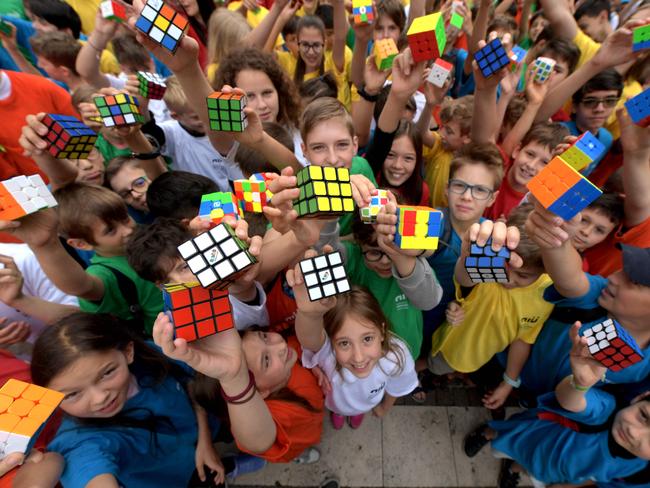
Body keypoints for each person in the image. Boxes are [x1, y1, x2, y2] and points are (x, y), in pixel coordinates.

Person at [31, 312, 224, 487]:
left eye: (107, 373)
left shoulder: (149, 356)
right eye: (72, 394)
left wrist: (205, 440)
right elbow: (88, 467)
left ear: (128, 352)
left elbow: (190, 380)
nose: (100, 398)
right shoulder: (79, 440)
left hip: (206, 436)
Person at [464, 323, 650, 487]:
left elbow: (596, 477)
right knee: (505, 436)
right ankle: (486, 433)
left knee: (526, 465)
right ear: (641, 396)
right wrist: (580, 384)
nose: (634, 432)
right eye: (644, 416)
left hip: (548, 468)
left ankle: (513, 469)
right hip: (533, 433)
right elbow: (573, 401)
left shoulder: (637, 467)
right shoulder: (607, 409)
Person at [429, 209, 553, 411]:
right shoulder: (487, 266)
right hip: (451, 346)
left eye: (522, 275)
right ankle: (433, 374)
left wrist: (509, 382)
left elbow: (523, 339)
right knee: (437, 366)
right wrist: (468, 257)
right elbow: (463, 278)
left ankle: (454, 374)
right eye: (504, 266)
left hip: (482, 356)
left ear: (544, 271)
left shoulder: (547, 293)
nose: (508, 278)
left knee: (457, 369)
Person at [288, 259, 418, 429]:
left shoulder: (396, 354)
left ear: (382, 330)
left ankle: (358, 412)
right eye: (343, 343)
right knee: (340, 410)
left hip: (369, 403)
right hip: (336, 403)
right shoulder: (329, 352)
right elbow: (309, 339)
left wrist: (384, 409)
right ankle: (340, 413)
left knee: (359, 409)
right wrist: (308, 314)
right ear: (330, 340)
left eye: (367, 339)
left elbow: (397, 387)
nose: (358, 357)